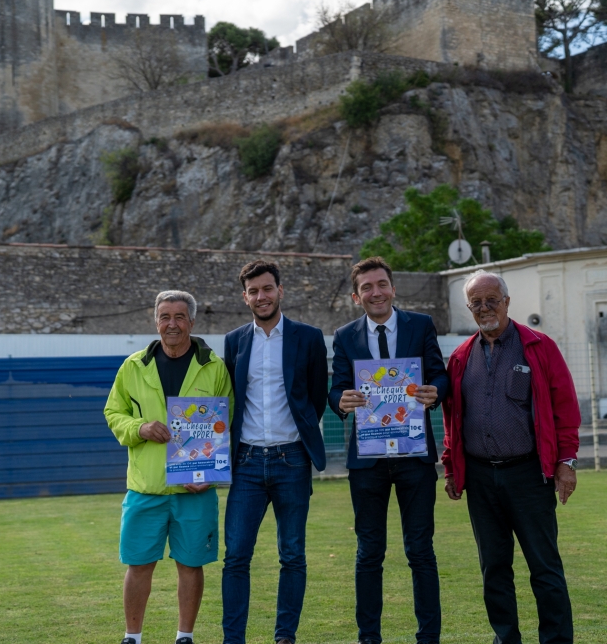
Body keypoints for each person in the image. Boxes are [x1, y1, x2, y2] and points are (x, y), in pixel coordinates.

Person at [441, 271, 580, 644]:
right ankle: (506, 639)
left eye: (492, 300)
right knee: (494, 570)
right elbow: (453, 417)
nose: (485, 308)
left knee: (545, 568)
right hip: (481, 480)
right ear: (469, 307)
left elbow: (565, 407)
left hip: (529, 477)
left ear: (507, 301)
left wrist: (567, 462)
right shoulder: (459, 357)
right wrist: (452, 465)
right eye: (477, 302)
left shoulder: (539, 347)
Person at [327, 256, 448, 644]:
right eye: (367, 287)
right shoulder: (345, 336)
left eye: (381, 284)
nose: (375, 292)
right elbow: (336, 388)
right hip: (368, 459)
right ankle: (369, 638)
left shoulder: (421, 325)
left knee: (420, 551)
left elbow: (440, 374)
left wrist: (435, 392)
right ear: (355, 296)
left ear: (393, 289)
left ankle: (428, 637)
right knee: (369, 553)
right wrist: (340, 400)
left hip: (414, 455)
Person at [104, 290, 234, 644]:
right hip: (146, 487)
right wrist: (140, 428)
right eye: (165, 317)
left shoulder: (214, 366)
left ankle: (184, 636)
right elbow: (113, 413)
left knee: (191, 565)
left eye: (179, 317)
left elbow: (227, 423)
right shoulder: (133, 366)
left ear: (192, 322)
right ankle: (132, 636)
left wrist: (209, 473)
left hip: (196, 490)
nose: (172, 324)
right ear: (155, 321)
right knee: (138, 564)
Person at [220, 260, 329, 644]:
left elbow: (315, 399)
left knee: (293, 555)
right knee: (235, 557)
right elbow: (231, 400)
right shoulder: (234, 341)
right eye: (253, 291)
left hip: (292, 460)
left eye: (267, 289)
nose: (261, 296)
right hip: (247, 462)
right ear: (244, 296)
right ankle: (233, 639)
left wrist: (294, 438)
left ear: (280, 291)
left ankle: (285, 636)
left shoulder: (309, 337)